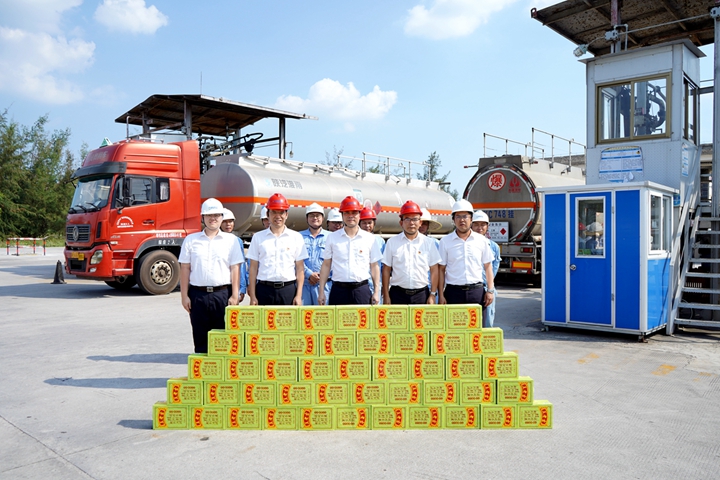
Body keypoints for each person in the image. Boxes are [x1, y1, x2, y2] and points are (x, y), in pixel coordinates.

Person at [179, 198, 244, 353]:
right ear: (203, 217)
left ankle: (221, 369)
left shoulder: (231, 240)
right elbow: (185, 269)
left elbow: (235, 268)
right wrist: (184, 296)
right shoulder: (191, 240)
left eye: (216, 215)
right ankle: (203, 367)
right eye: (209, 215)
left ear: (221, 217)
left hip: (222, 294)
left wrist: (235, 295)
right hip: (198, 295)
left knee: (223, 339)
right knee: (200, 337)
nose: (213, 218)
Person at [438, 199, 495, 327]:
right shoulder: (445, 241)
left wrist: (490, 291)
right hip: (453, 293)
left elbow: (488, 266)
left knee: (476, 331)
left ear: (471, 219)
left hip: (477, 293)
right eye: (458, 216)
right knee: (454, 331)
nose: (462, 220)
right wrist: (441, 295)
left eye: (465, 216)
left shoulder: (481, 240)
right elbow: (441, 269)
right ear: (453, 220)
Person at [318, 196, 382, 305]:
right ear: (342, 215)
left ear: (359, 215)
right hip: (339, 290)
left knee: (363, 317)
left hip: (361, 290)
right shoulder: (332, 238)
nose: (350, 216)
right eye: (347, 213)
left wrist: (376, 292)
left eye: (354, 213)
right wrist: (321, 292)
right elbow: (326, 265)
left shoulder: (369, 238)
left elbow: (374, 266)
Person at [247, 193, 308, 306]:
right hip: (264, 290)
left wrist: (298, 295)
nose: (278, 216)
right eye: (274, 212)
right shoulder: (258, 237)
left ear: (286, 215)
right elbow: (253, 268)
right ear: (267, 214)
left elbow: (300, 269)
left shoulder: (296, 237)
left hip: (288, 290)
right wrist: (253, 296)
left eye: (281, 212)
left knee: (288, 318)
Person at [382, 201, 441, 305]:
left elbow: (434, 269)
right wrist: (386, 295)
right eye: (407, 219)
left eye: (415, 219)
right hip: (397, 294)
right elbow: (386, 270)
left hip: (421, 295)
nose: (411, 223)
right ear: (401, 223)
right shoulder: (392, 242)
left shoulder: (428, 243)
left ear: (420, 222)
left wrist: (432, 294)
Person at [471, 210, 501, 327]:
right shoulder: (466, 244)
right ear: (471, 225)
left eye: (483, 224)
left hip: (486, 288)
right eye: (476, 224)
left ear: (487, 226)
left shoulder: (493, 247)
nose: (479, 228)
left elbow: (493, 270)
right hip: (471, 288)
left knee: (487, 322)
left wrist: (490, 289)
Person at [299, 202, 331, 305]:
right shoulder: (298, 237)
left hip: (325, 285)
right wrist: (309, 274)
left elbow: (335, 260)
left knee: (324, 314)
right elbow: (296, 259)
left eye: (318, 215)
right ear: (306, 218)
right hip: (304, 285)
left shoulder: (331, 237)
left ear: (323, 218)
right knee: (304, 314)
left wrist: (321, 275)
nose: (315, 218)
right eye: (312, 216)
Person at [220, 208, 247, 303]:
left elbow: (241, 266)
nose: (228, 224)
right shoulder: (214, 241)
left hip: (233, 286)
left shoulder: (237, 241)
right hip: (220, 286)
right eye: (225, 222)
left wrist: (242, 288)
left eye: (230, 221)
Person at [359, 207, 386, 302]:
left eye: (369, 223)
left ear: (374, 224)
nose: (367, 226)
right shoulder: (356, 240)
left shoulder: (380, 241)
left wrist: (384, 287)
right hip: (362, 285)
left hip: (376, 285)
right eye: (364, 223)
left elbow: (383, 267)